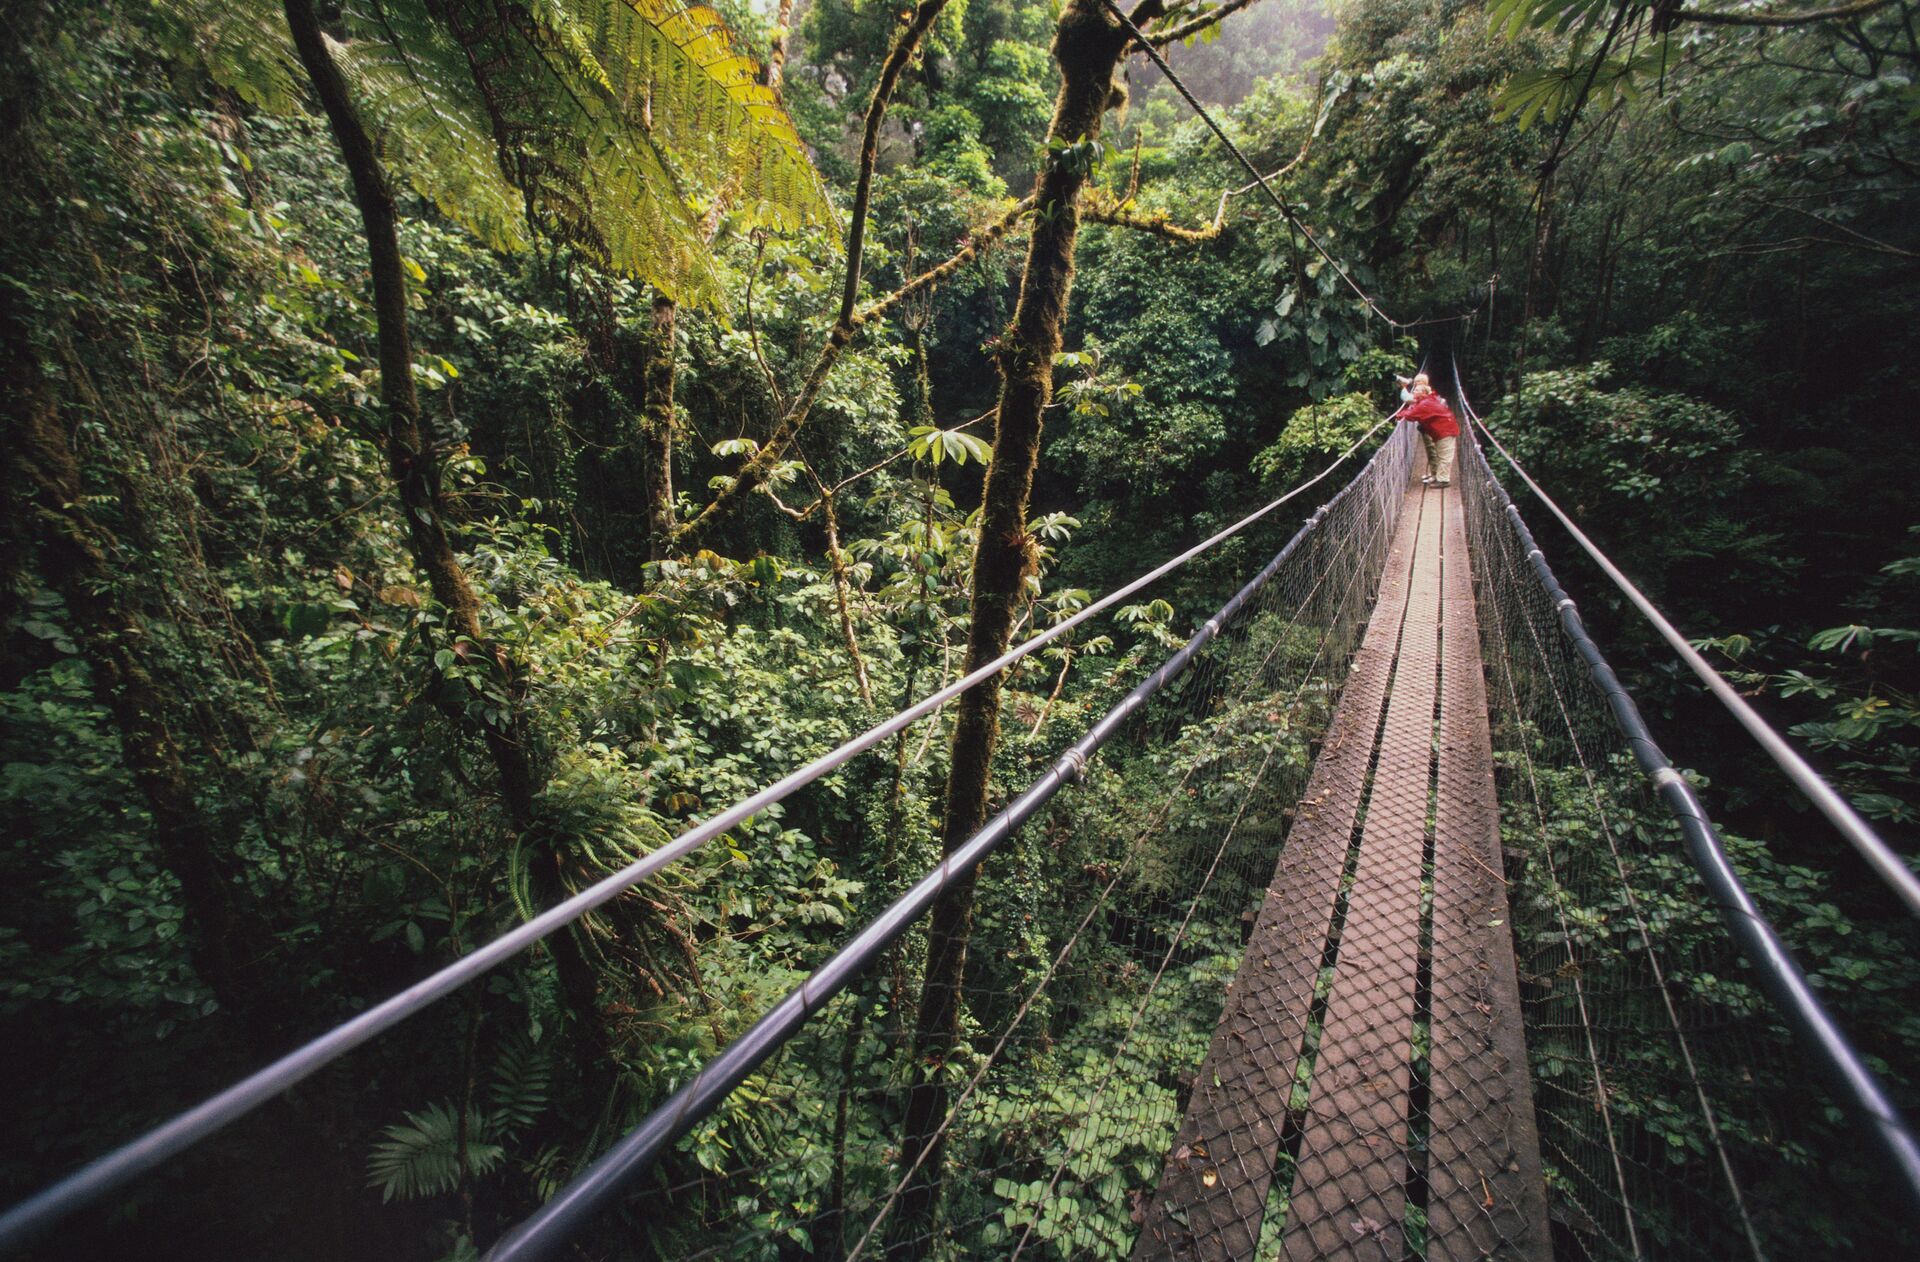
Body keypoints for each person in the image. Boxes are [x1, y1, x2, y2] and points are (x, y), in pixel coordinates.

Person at [1393, 372, 1459, 487]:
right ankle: (1439, 477)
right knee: (1440, 454)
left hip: (1445, 431)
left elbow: (1411, 414)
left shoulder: (1425, 403)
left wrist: (1399, 415)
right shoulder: (1425, 401)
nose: (1413, 391)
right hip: (1441, 431)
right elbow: (1413, 410)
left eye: (1416, 390)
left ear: (1423, 393)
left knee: (1444, 456)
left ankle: (1443, 481)